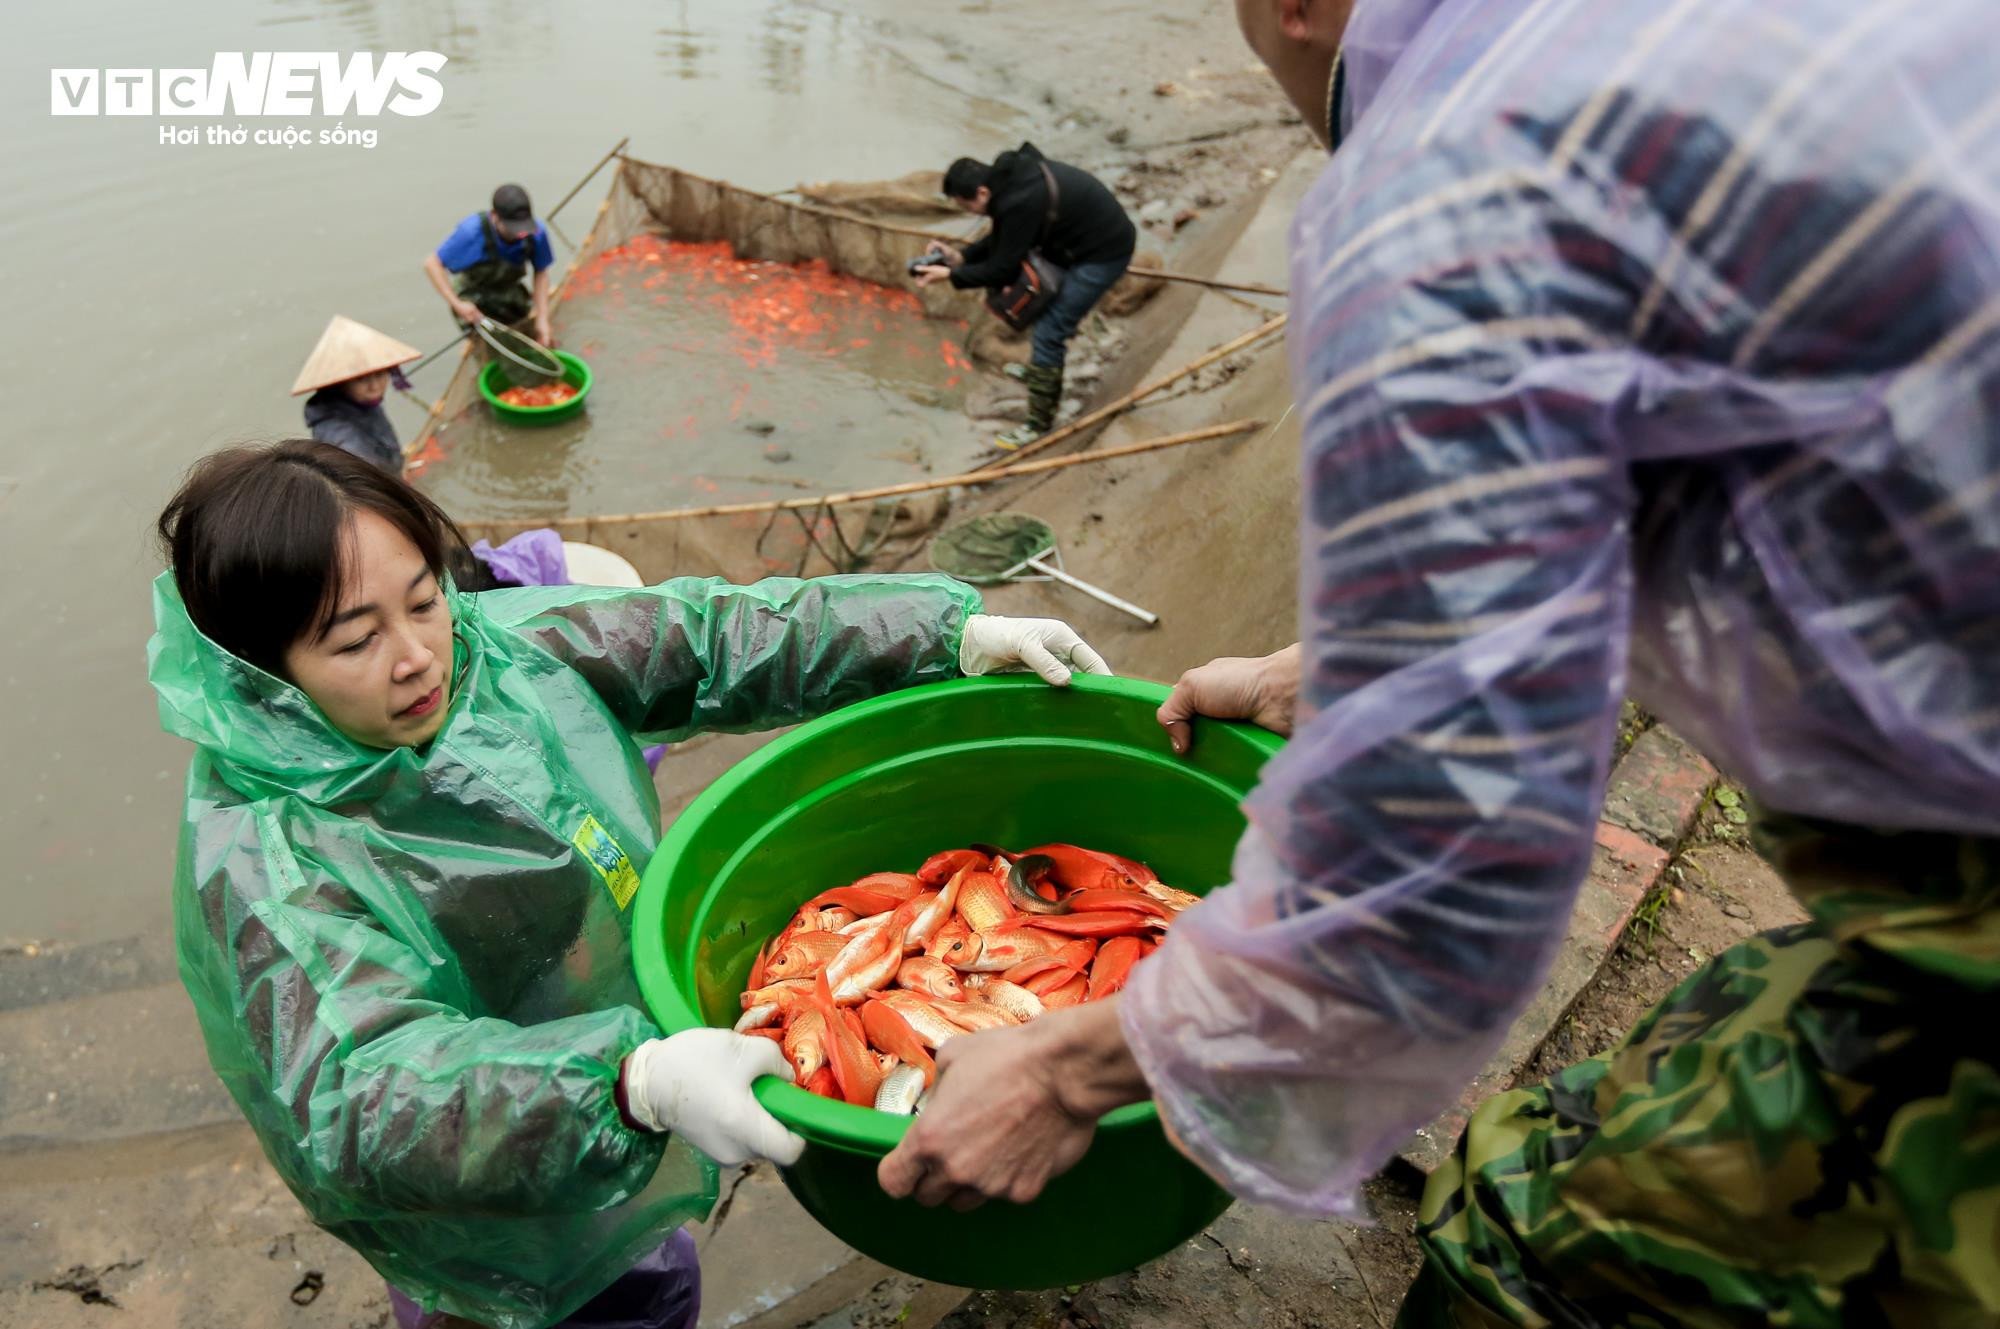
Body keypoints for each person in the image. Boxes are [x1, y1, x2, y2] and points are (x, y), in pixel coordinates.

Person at [880, 1, 2000, 1323]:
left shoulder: (1456, 185)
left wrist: (1062, 1072)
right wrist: (1346, 670)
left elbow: (1432, 893)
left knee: (1536, 1233)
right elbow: (1741, 460)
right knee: (1734, 1011)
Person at [149, 440, 1110, 1329]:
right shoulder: (272, 859)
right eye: (354, 640)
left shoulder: (496, 652)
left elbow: (705, 638)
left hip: (622, 1063)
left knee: (654, 1274)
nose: (417, 657)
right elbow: (364, 1095)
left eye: (424, 597)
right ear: (262, 672)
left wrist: (943, 633)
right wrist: (621, 1082)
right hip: (481, 1186)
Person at [913, 144, 1136, 449]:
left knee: (1049, 330)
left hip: (1103, 253)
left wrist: (951, 275)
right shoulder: (1008, 183)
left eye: (967, 207)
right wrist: (960, 258)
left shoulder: (1018, 201)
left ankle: (1038, 425)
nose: (970, 214)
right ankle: (1041, 374)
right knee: (1043, 310)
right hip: (1076, 242)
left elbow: (1002, 270)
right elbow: (1003, 238)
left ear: (981, 193)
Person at [424, 183, 555, 346]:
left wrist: (542, 318)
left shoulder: (536, 233)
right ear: (494, 216)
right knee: (490, 348)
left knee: (530, 339)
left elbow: (541, 272)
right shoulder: (471, 233)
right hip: (474, 298)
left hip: (509, 291)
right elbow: (432, 264)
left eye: (523, 228)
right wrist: (457, 305)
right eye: (513, 229)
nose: (520, 234)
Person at [293, 315, 420, 474]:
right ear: (340, 383)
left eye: (380, 374)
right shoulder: (344, 439)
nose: (375, 387)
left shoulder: (363, 401)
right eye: (361, 379)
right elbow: (366, 483)